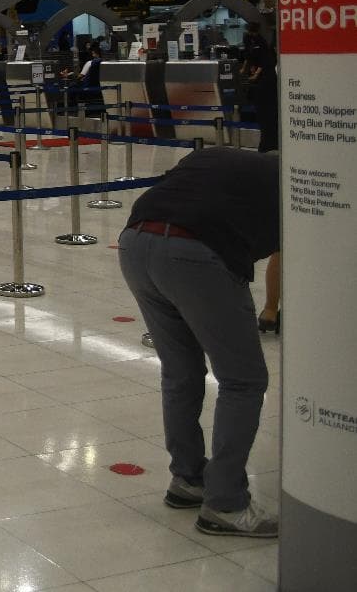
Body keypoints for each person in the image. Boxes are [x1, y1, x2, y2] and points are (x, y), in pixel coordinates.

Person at [117, 147, 280, 538]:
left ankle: (188, 478)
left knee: (181, 371)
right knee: (243, 381)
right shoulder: (299, 183)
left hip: (135, 242)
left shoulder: (222, 158)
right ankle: (226, 503)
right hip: (194, 253)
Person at [242, 21, 277, 153]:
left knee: (267, 119)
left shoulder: (261, 42)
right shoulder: (250, 40)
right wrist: (249, 69)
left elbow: (263, 61)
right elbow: (250, 56)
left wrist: (255, 74)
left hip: (265, 86)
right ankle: (267, 146)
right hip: (263, 86)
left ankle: (268, 146)